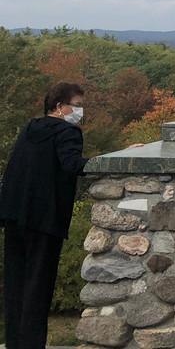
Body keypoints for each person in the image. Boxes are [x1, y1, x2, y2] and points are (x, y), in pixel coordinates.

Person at [0, 82, 89, 349]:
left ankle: (15, 342)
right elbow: (73, 164)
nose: (80, 110)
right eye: (77, 104)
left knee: (15, 285)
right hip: (45, 219)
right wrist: (113, 159)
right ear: (60, 107)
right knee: (38, 287)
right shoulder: (68, 132)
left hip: (15, 215)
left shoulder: (29, 130)